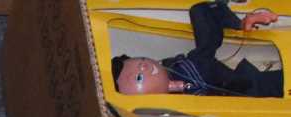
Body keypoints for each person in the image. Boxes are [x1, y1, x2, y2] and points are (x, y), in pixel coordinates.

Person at [113, 3, 282, 99]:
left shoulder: (174, 66)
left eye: (141, 60)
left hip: (202, 63)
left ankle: (242, 22)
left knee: (200, 12)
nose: (143, 67)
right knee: (259, 86)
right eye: (139, 77)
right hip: (231, 88)